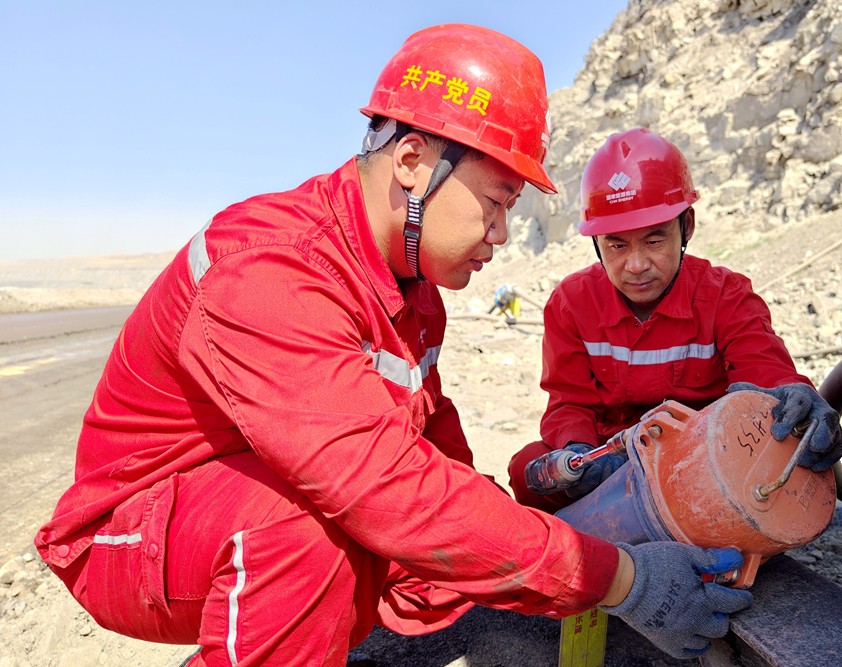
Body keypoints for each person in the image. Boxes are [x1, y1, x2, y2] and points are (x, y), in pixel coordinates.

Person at [35, 26, 753, 665]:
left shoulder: (411, 293)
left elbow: (436, 453)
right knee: (309, 535)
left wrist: (532, 522)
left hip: (239, 502)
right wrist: (620, 579)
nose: (502, 233)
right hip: (128, 535)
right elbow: (384, 487)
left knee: (447, 550)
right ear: (413, 161)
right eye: (497, 202)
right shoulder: (272, 269)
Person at [508, 127, 842, 512]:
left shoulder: (726, 295)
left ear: (686, 227)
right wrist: (578, 454)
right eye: (616, 245)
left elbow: (764, 371)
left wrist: (794, 399)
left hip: (707, 464)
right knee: (527, 471)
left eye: (654, 241)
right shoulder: (571, 303)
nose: (635, 265)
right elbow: (568, 403)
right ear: (596, 244)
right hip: (611, 461)